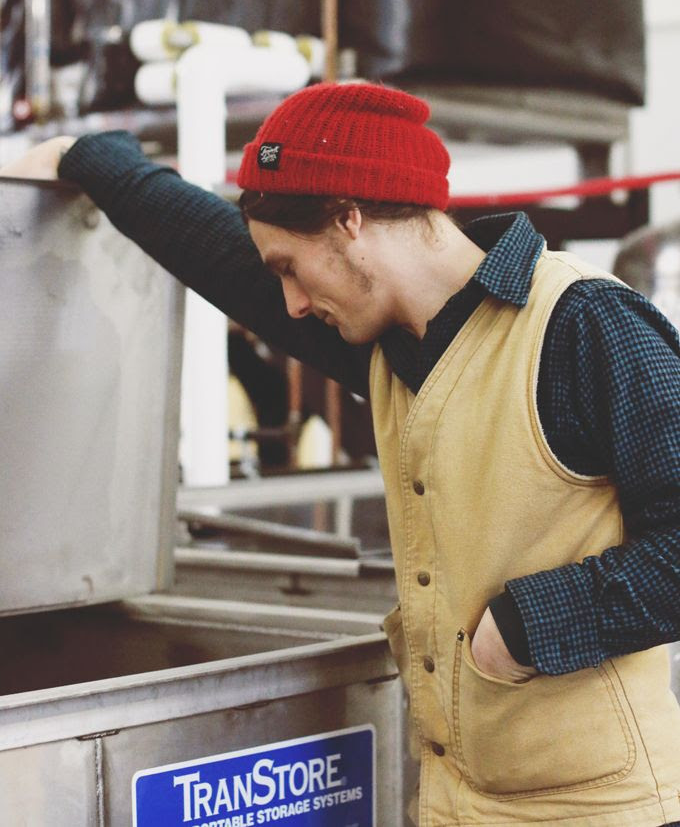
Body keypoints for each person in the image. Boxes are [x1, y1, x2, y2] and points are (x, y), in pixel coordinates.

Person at [2, 81, 679, 826]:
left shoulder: (583, 322)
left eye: (290, 268)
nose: (291, 304)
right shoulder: (389, 342)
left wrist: (525, 628)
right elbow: (211, 250)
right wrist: (85, 156)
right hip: (460, 802)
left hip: (602, 809)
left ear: (349, 219)